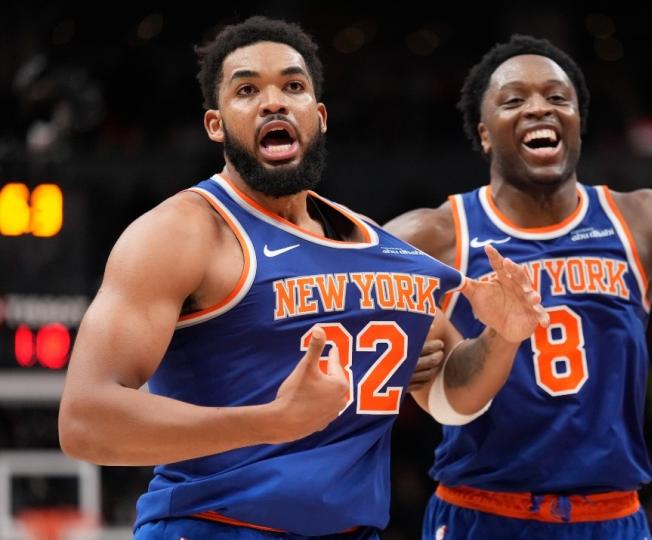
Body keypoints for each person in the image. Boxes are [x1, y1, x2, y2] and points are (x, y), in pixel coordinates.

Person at [57, 17, 547, 540]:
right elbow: (86, 422)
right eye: (247, 89)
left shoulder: (383, 252)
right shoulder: (181, 233)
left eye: (293, 86)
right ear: (215, 124)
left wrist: (503, 337)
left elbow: (451, 399)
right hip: (213, 526)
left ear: (319, 116)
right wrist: (272, 421)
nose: (274, 101)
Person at [385, 35, 652, 540]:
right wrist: (395, 360)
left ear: (578, 121)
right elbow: (330, 320)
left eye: (557, 97)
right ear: (484, 134)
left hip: (611, 515)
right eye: (514, 100)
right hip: (481, 513)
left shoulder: (643, 220)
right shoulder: (432, 235)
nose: (538, 109)